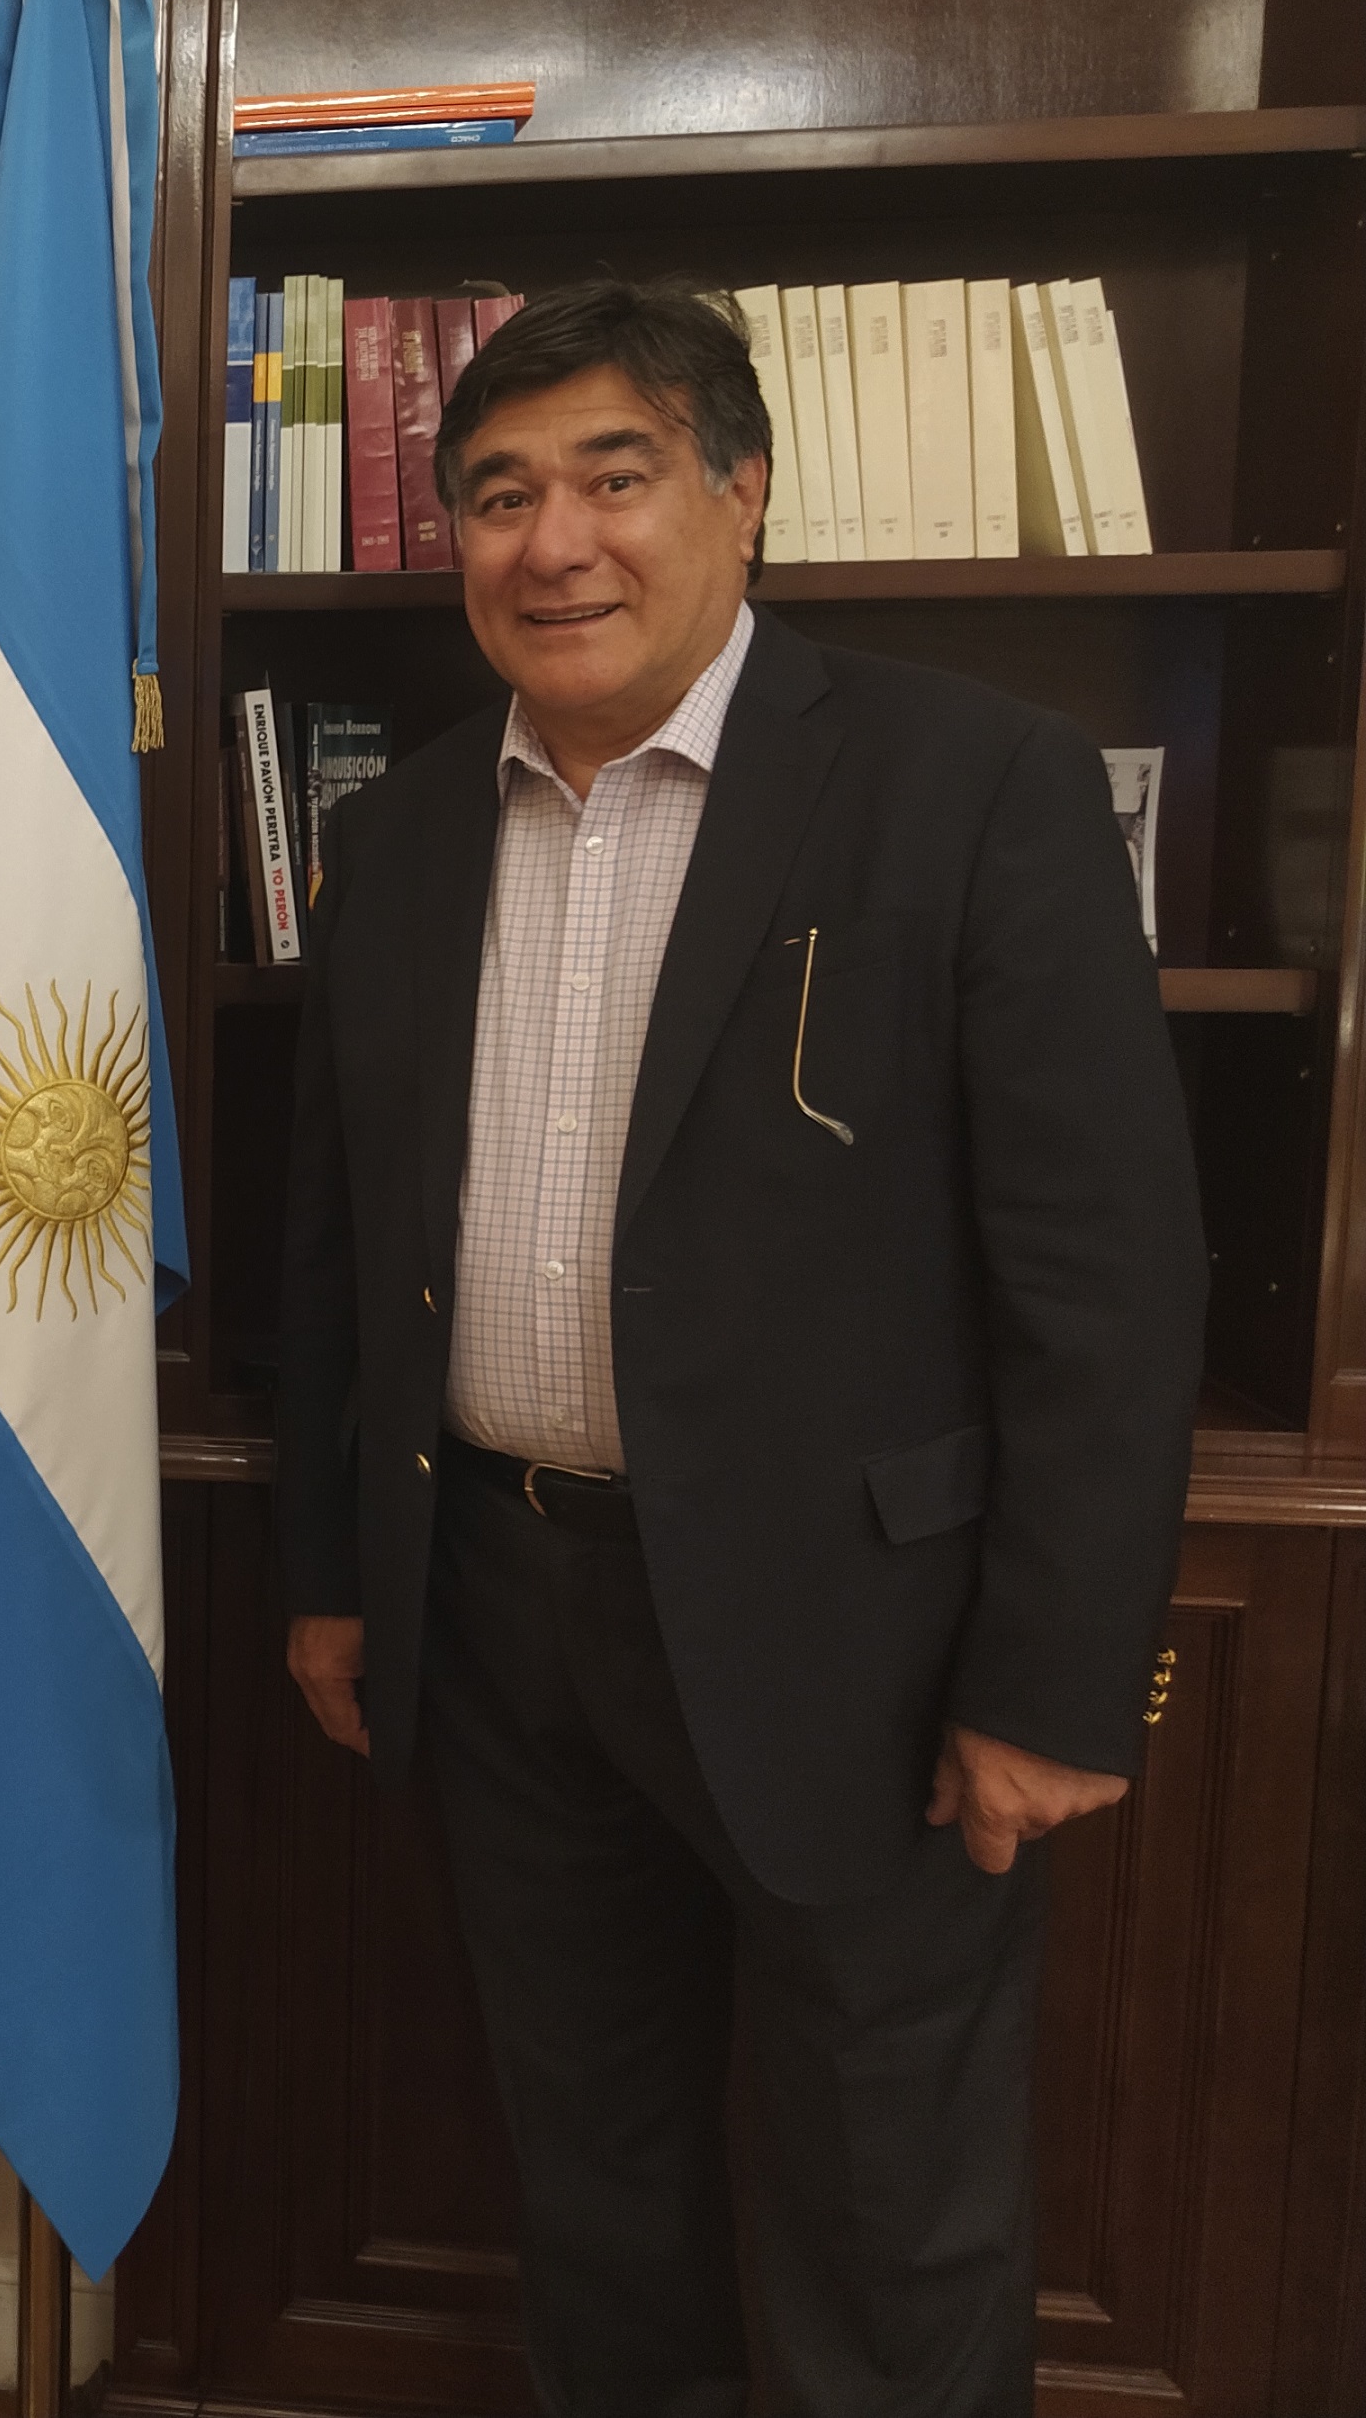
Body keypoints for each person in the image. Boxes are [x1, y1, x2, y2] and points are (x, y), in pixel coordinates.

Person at [277, 280, 1204, 2417]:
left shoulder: (974, 785)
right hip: (501, 1612)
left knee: (891, 2209)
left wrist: (1051, 1681)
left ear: (744, 490)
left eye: (615, 478)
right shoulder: (397, 838)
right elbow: (340, 1241)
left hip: (863, 1644)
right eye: (498, 494)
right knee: (593, 2182)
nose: (554, 544)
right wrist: (339, 1567)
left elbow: (1108, 1277)